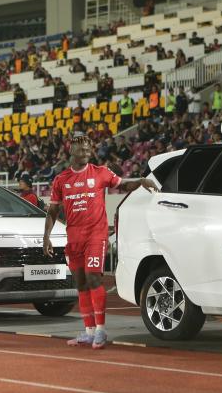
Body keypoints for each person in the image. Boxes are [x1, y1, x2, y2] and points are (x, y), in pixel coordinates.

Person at [43, 135, 158, 349]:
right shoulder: (61, 179)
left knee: (93, 278)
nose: (87, 151)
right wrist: (46, 237)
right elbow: (52, 211)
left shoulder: (100, 172)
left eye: (89, 148)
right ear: (71, 150)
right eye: (82, 149)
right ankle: (88, 331)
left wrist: (141, 181)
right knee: (80, 283)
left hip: (95, 234)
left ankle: (101, 330)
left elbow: (123, 185)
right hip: (74, 237)